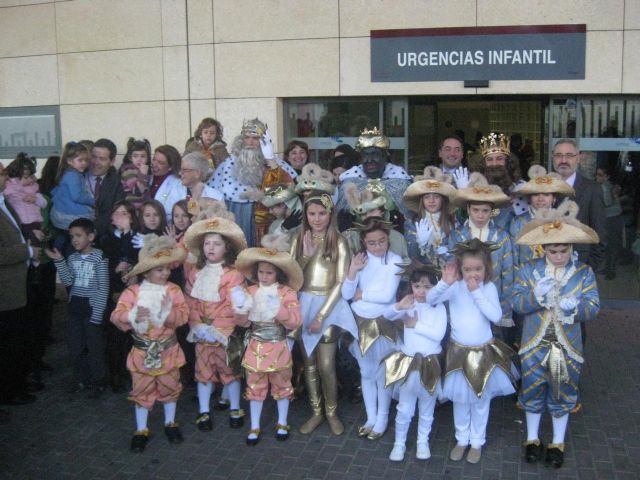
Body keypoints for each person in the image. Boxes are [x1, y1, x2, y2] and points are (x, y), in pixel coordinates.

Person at [512, 201, 600, 468]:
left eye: (563, 250)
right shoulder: (529, 270)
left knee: (561, 392)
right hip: (534, 344)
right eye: (553, 250)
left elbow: (594, 307)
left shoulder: (584, 273)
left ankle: (557, 442)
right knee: (532, 389)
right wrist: (535, 297)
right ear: (544, 248)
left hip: (565, 346)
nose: (559, 255)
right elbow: (516, 303)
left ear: (571, 248)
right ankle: (532, 439)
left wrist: (576, 308)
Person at [427, 239, 517, 464]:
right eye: (467, 269)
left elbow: (495, 316)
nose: (472, 274)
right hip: (459, 352)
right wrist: (444, 283)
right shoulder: (455, 287)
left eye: (478, 269)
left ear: (486, 268)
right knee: (460, 399)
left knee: (480, 400)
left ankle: (477, 441)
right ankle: (461, 439)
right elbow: (431, 300)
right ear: (460, 268)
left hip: (483, 353)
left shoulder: (488, 288)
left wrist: (477, 292)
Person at [110, 235, 189, 452]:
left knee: (170, 386)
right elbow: (117, 316)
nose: (165, 273)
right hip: (142, 352)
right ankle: (141, 429)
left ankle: (170, 423)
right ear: (146, 272)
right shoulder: (132, 292)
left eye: (166, 268)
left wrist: (168, 311)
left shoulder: (174, 290)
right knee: (142, 389)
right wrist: (132, 315)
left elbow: (183, 316)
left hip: (168, 350)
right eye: (159, 270)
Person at [291, 191, 358, 435]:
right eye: (312, 214)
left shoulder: (339, 241)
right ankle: (316, 411)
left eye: (322, 213)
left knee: (327, 365)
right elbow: (291, 276)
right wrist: (306, 257)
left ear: (331, 214)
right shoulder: (299, 238)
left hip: (329, 306)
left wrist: (321, 316)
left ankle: (331, 412)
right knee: (309, 365)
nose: (317, 219)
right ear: (305, 215)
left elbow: (341, 282)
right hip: (303, 303)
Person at [232, 238, 303, 445]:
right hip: (255, 346)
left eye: (269, 273)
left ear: (278, 274)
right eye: (261, 272)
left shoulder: (287, 293)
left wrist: (279, 310)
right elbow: (244, 323)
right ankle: (254, 425)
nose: (264, 276)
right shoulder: (251, 291)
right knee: (255, 385)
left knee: (282, 384)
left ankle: (282, 422)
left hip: (279, 346)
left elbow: (295, 322)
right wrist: (239, 309)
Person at [183, 213, 248, 431]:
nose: (211, 248)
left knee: (230, 371)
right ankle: (203, 410)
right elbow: (190, 302)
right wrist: (197, 325)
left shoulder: (233, 274)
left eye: (217, 243)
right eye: (207, 243)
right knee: (203, 372)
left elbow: (231, 304)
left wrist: (219, 329)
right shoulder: (196, 272)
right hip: (201, 331)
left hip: (224, 332)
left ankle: (235, 407)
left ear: (226, 248)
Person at [341, 217, 403, 440]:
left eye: (382, 241)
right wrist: (352, 271)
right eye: (372, 243)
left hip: (382, 323)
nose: (377, 247)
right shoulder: (360, 260)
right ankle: (370, 417)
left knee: (381, 373)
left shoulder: (395, 260)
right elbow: (347, 294)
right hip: (361, 322)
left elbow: (387, 296)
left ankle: (383, 418)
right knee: (366, 372)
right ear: (363, 242)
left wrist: (362, 294)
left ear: (388, 239)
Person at [384, 261, 447, 462]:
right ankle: (399, 443)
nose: (421, 291)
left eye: (427, 287)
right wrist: (398, 306)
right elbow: (387, 315)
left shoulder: (439, 307)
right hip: (408, 363)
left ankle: (422, 441)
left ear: (436, 287)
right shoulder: (408, 303)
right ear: (411, 285)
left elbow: (438, 335)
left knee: (427, 406)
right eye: (417, 286)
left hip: (430, 363)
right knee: (404, 407)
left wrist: (415, 324)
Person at [45, 218, 109, 398]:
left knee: (94, 347)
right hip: (75, 308)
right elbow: (68, 281)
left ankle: (99, 380)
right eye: (72, 236)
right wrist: (59, 261)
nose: (74, 240)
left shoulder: (99, 257)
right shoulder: (72, 257)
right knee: (76, 346)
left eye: (78, 235)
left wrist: (97, 314)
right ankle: (81, 378)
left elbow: (103, 288)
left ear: (91, 236)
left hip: (91, 309)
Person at [208, 118, 297, 246]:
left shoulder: (274, 163)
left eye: (255, 138)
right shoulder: (228, 164)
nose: (250, 142)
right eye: (247, 137)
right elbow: (212, 195)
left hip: (270, 225)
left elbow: (290, 189)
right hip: (237, 217)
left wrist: (270, 160)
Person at [450, 173, 515, 331]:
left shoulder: (502, 236)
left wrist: (505, 307)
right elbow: (452, 269)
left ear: (492, 211)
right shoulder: (457, 235)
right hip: (463, 299)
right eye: (476, 210)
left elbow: (508, 274)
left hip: (494, 299)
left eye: (485, 211)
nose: (480, 215)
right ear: (468, 209)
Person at [0, 161, 38, 409]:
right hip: (5, 291)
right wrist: (26, 249)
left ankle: (17, 384)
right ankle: (8, 392)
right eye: (2, 173)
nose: (5, 176)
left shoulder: (5, 203)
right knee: (8, 343)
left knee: (17, 339)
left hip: (17, 285)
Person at [100, 200, 141, 393]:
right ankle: (115, 374)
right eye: (118, 213)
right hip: (114, 292)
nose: (122, 217)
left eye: (126, 213)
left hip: (135, 292)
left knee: (134, 337)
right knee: (115, 336)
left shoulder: (138, 238)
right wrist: (115, 272)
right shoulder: (106, 239)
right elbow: (104, 268)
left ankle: (134, 372)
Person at [552, 140, 607, 270]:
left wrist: (592, 267)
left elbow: (599, 231)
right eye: (559, 155)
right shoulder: (543, 188)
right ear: (553, 158)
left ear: (578, 158)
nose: (563, 160)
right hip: (546, 266)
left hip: (581, 264)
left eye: (569, 155)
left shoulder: (592, 189)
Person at [337, 128, 412, 221]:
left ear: (384, 156)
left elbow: (409, 220)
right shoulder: (349, 184)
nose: (369, 160)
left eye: (374, 154)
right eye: (365, 155)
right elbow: (341, 220)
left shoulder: (401, 184)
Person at [510, 166, 575, 267]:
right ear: (529, 197)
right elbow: (513, 256)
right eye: (536, 194)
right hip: (526, 276)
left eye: (546, 194)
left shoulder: (563, 222)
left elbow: (567, 254)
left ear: (553, 198)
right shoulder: (518, 222)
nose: (540, 198)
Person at [403, 166, 458, 268]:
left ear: (443, 200)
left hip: (448, 272)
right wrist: (421, 243)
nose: (431, 201)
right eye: (427, 197)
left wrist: (447, 253)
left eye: (436, 197)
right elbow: (412, 255)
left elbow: (457, 248)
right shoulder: (412, 222)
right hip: (423, 274)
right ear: (421, 200)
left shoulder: (451, 221)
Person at [342, 183, 410, 262]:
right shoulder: (350, 237)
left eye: (371, 211)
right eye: (363, 214)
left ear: (382, 212)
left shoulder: (397, 237)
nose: (368, 216)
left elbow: (405, 263)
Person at [50, 142, 94, 250]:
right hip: (70, 215)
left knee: (64, 236)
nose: (84, 163)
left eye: (86, 160)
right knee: (72, 239)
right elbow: (77, 196)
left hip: (61, 212)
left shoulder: (67, 173)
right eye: (80, 160)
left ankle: (58, 252)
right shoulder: (73, 176)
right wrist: (93, 201)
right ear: (70, 161)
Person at [4, 153, 47, 247]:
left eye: (31, 176)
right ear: (15, 178)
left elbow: (44, 203)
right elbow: (6, 192)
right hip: (21, 223)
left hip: (36, 222)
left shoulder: (34, 188)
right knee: (28, 241)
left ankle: (35, 258)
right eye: (25, 177)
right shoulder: (10, 188)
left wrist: (35, 199)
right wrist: (14, 183)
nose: (29, 180)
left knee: (37, 241)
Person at [88, 138, 125, 240]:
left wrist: (95, 232)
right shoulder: (78, 177)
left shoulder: (117, 183)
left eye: (102, 159)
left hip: (104, 237)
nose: (96, 162)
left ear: (112, 161)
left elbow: (115, 213)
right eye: (94, 157)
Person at [595, 166, 623, 279]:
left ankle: (609, 271)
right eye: (597, 174)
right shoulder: (607, 185)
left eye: (600, 175)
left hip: (610, 219)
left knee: (609, 246)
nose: (597, 177)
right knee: (610, 246)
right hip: (612, 218)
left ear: (606, 177)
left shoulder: (604, 187)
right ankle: (608, 270)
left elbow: (606, 202)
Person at [149, 145, 184, 224]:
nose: (154, 164)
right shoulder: (148, 178)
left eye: (160, 163)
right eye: (154, 160)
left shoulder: (178, 185)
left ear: (170, 167)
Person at [119, 138, 151, 210]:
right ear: (130, 158)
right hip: (133, 209)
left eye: (142, 156)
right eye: (135, 156)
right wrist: (143, 174)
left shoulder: (142, 170)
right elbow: (137, 191)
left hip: (143, 209)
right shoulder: (128, 171)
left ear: (147, 158)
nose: (139, 159)